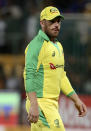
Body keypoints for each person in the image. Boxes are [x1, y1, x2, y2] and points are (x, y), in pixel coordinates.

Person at [24, 6, 87, 131]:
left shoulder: (58, 46)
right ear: (42, 23)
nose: (56, 25)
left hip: (52, 104)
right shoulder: (36, 45)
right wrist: (34, 104)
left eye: (58, 21)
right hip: (41, 103)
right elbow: (28, 74)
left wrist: (76, 100)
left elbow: (61, 76)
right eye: (52, 21)